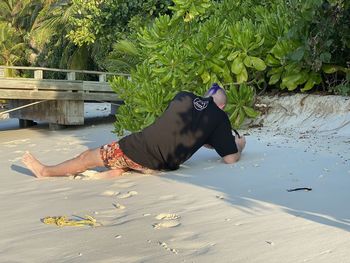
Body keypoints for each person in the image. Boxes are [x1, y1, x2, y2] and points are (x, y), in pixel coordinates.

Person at [22, 83, 246, 179]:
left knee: (86, 157)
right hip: (163, 164)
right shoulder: (220, 117)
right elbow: (230, 159)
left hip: (138, 147)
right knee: (124, 161)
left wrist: (208, 137)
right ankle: (119, 171)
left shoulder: (183, 96)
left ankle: (46, 172)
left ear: (205, 94)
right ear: (222, 105)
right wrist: (239, 146)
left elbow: (172, 127)